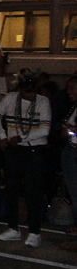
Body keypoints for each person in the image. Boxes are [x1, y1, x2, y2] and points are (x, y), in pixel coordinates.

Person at [0, 74, 51, 247]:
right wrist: (3, 136)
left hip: (35, 150)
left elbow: (45, 130)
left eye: (33, 91)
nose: (30, 95)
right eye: (26, 92)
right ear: (20, 90)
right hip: (14, 150)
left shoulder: (43, 102)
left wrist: (21, 137)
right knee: (11, 189)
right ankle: (13, 228)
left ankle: (35, 232)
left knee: (32, 191)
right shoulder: (10, 98)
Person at [58, 76, 77, 239]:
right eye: (68, 88)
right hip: (70, 149)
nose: (69, 92)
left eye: (73, 88)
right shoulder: (72, 107)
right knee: (73, 191)